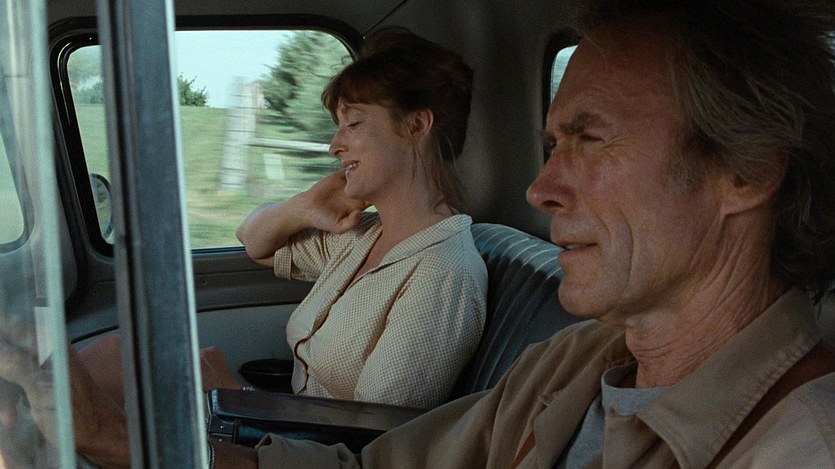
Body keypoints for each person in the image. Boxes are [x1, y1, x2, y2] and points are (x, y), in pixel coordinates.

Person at [2, 0, 835, 467]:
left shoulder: (798, 445)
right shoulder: (576, 363)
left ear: (745, 172)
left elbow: (371, 423)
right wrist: (117, 436)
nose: (540, 188)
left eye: (589, 139)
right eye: (549, 144)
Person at [79, 26, 488, 411]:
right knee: (109, 359)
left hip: (307, 447)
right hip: (288, 427)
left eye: (353, 123)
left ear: (416, 124)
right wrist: (305, 205)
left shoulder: (443, 274)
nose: (334, 146)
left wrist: (231, 394)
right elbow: (254, 240)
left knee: (104, 378)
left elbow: (377, 436)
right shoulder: (362, 237)